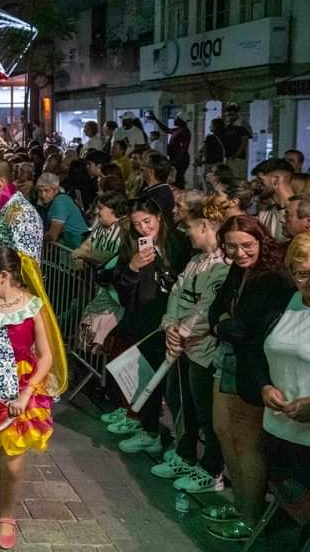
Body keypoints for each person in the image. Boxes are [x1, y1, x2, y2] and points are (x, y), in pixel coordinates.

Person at [204, 215, 295, 542]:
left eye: (247, 245)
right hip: (226, 360)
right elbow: (215, 313)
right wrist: (223, 323)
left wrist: (227, 324)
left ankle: (250, 516)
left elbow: (246, 330)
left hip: (251, 368)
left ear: (260, 242)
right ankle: (240, 503)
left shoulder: (272, 279)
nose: (240, 252)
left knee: (247, 443)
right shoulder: (235, 270)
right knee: (223, 432)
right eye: (232, 246)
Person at [0, 247, 58, 550]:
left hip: (21, 388)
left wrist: (27, 390)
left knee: (13, 463)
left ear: (3, 276)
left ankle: (6, 514)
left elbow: (45, 357)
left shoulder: (32, 305)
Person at [151, 201, 229, 494]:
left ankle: (210, 469)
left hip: (203, 349)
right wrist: (170, 325)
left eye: (191, 228)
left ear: (206, 227)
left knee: (203, 410)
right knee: (178, 400)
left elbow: (207, 308)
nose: (188, 235)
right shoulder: (196, 261)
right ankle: (184, 454)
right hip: (180, 345)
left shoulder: (223, 265)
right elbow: (176, 293)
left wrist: (182, 332)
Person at [105, 198, 192, 452]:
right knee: (148, 378)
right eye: (137, 224)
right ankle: (149, 430)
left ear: (159, 218)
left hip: (177, 322)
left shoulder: (179, 242)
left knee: (176, 388)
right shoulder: (130, 246)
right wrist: (133, 267)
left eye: (147, 221)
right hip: (144, 322)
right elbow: (121, 286)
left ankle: (182, 447)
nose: (144, 228)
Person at [257, 233, 310, 533]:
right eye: (301, 273)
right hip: (278, 428)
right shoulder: (284, 302)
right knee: (291, 499)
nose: (308, 281)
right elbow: (259, 353)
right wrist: (264, 385)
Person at [35, 173, 88, 249]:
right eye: (40, 191)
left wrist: (37, 236)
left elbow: (52, 235)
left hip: (75, 246)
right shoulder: (53, 201)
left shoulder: (60, 201)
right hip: (69, 245)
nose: (43, 195)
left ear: (56, 190)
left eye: (47, 191)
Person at [221, 105, 252, 180]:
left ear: (237, 114)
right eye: (229, 115)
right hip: (229, 157)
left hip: (238, 158)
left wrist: (236, 155)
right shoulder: (229, 126)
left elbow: (244, 142)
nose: (230, 117)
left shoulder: (242, 126)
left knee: (237, 178)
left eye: (232, 114)